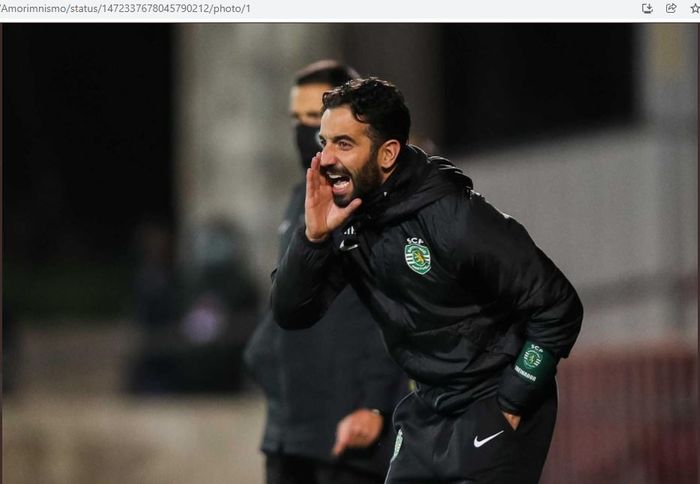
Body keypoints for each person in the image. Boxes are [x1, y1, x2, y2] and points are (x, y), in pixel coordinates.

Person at [271, 77, 584, 483]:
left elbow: (559, 306)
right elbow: (291, 312)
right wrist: (312, 238)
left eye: (344, 144)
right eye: (324, 142)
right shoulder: (347, 223)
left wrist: (512, 399)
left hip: (491, 401)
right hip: (425, 408)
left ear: (387, 154)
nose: (326, 158)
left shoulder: (455, 217)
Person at [244, 62, 408, 484]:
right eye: (296, 119)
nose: (303, 130)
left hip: (346, 435)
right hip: (289, 432)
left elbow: (395, 306)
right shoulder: (304, 196)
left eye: (313, 119)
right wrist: (262, 352)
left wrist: (376, 405)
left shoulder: (374, 198)